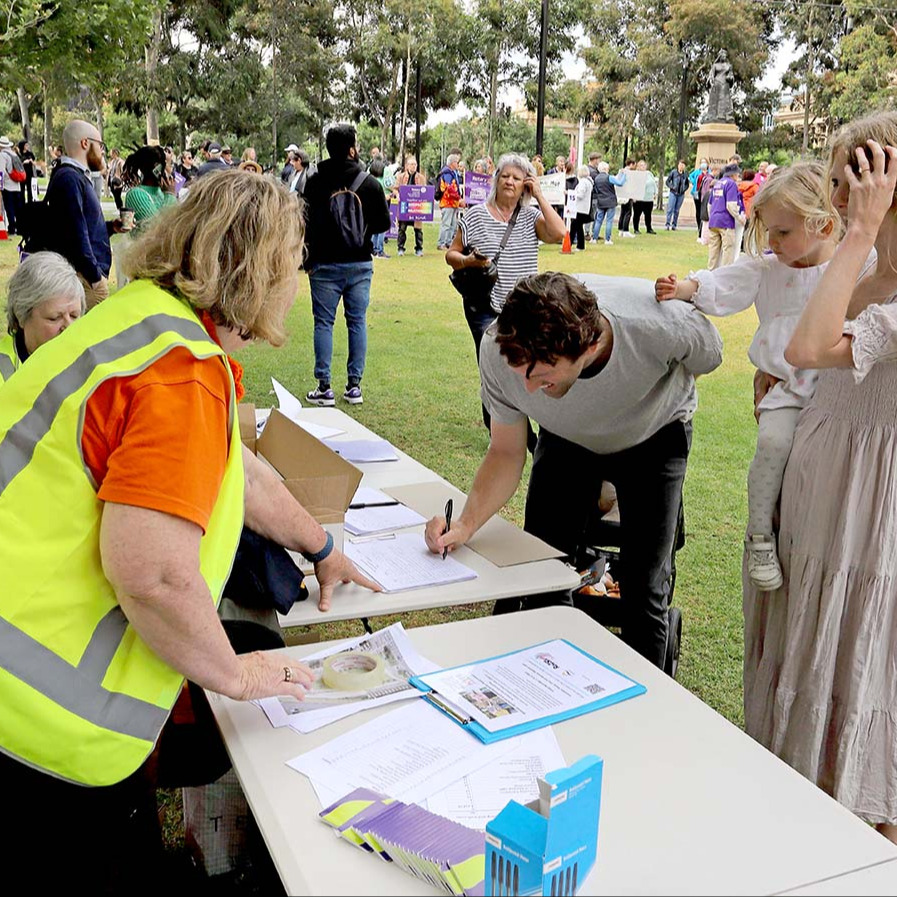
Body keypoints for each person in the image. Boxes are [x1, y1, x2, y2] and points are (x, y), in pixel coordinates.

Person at [0, 170, 380, 892]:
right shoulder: (180, 372)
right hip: (38, 723)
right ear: (258, 271)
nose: (298, 279)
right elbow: (155, 573)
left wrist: (322, 546)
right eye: (294, 262)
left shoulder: (140, 321)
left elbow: (234, 472)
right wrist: (237, 675)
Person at [424, 271, 723, 668]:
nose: (528, 390)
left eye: (542, 376)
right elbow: (505, 451)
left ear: (588, 347)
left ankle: (647, 714)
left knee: (644, 589)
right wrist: (465, 524)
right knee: (543, 570)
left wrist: (638, 391)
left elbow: (711, 356)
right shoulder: (499, 349)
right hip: (566, 437)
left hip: (654, 434)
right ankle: (550, 683)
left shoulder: (658, 323)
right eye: (522, 374)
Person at [744, 115, 897, 844]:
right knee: (807, 644)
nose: (838, 199)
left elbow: (811, 343)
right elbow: (797, 352)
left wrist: (863, 229)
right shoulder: (863, 269)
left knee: (859, 658)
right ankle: (799, 827)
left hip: (869, 506)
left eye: (851, 181)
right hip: (817, 483)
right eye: (837, 180)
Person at [655, 162, 846, 589]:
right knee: (773, 444)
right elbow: (724, 284)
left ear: (823, 224)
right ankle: (760, 533)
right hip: (787, 386)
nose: (773, 242)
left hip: (839, 391)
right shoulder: (766, 269)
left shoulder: (851, 267)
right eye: (769, 232)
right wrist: (683, 288)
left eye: (783, 232)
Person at [446, 153, 565, 440]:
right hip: (483, 306)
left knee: (523, 367)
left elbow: (560, 233)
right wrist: (470, 262)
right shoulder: (475, 215)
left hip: (523, 307)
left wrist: (537, 194)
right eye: (505, 176)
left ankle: (520, 430)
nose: (510, 182)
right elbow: (451, 254)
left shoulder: (530, 216)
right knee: (493, 369)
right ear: (496, 179)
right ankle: (502, 432)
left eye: (517, 178)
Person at [302, 122, 390, 406]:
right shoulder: (369, 183)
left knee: (324, 323)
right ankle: (354, 386)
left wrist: (308, 259)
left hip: (324, 265)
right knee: (357, 322)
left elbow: (305, 223)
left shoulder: (315, 180)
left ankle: (324, 386)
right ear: (352, 149)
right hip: (359, 263)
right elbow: (383, 224)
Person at [42, 120, 121, 308]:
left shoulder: (75, 176)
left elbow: (82, 224)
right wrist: (94, 277)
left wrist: (110, 227)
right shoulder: (70, 178)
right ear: (85, 143)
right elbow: (75, 233)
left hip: (85, 276)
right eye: (100, 145)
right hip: (84, 279)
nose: (102, 151)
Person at [0, 251, 85, 382]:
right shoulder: (4, 369)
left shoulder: (89, 361)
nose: (69, 327)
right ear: (21, 316)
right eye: (54, 318)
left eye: (74, 315)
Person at [123, 145, 177, 232]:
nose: (171, 169)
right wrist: (170, 195)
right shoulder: (136, 194)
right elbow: (157, 229)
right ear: (157, 168)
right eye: (168, 164)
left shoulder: (162, 191)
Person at [707, 162, 745, 269]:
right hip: (726, 222)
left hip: (714, 221)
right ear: (733, 174)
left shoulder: (717, 183)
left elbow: (709, 205)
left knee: (713, 251)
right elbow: (730, 205)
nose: (738, 176)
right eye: (737, 174)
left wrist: (712, 217)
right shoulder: (731, 184)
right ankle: (724, 274)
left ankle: (711, 273)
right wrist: (739, 217)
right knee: (728, 250)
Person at [394, 155, 426, 257]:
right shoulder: (401, 177)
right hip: (404, 207)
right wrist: (397, 194)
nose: (413, 166)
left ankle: (419, 249)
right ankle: (400, 248)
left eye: (415, 164)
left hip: (416, 208)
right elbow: (395, 188)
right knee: (402, 228)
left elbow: (425, 192)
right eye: (411, 164)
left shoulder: (421, 178)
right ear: (407, 166)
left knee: (418, 229)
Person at [591, 161, 625, 245]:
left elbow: (595, 190)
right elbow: (620, 183)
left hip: (601, 201)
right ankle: (607, 239)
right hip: (610, 201)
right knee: (609, 221)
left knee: (598, 220)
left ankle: (594, 238)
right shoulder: (609, 177)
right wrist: (624, 175)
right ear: (606, 169)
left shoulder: (596, 178)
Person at [436, 153, 465, 249]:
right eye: (456, 162)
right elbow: (450, 188)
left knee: (453, 224)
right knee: (446, 224)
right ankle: (441, 243)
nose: (457, 164)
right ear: (452, 163)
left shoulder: (453, 173)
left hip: (453, 203)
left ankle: (448, 242)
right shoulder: (447, 173)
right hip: (447, 202)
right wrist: (458, 198)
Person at [0, 135, 24, 234]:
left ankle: (12, 228)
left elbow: (1, 171)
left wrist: (1, 185)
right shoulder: (14, 154)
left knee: (9, 208)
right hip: (17, 185)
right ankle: (20, 228)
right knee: (18, 208)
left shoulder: (2, 155)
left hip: (8, 185)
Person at [369, 158, 391, 258]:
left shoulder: (370, 173)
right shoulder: (384, 172)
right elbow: (389, 184)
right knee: (382, 228)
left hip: (372, 203)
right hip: (382, 202)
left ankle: (373, 249)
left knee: (374, 227)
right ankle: (380, 250)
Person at [569, 165, 594, 251]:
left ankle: (573, 244)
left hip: (580, 208)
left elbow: (580, 195)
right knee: (577, 227)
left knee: (575, 226)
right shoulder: (589, 182)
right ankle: (575, 244)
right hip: (584, 208)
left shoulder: (583, 182)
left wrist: (570, 193)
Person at [632, 160, 657, 234]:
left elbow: (653, 183)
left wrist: (655, 192)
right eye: (641, 165)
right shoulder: (636, 175)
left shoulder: (649, 173)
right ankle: (636, 229)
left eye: (644, 165)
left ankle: (649, 228)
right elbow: (633, 186)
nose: (643, 167)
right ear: (638, 167)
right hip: (639, 198)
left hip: (649, 198)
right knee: (637, 214)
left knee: (648, 215)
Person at [665, 160, 689, 230]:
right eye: (680, 164)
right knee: (670, 209)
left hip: (681, 194)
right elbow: (667, 181)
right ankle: (667, 224)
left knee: (677, 210)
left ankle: (674, 225)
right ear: (678, 165)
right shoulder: (673, 172)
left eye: (683, 165)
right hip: (673, 193)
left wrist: (684, 189)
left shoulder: (685, 174)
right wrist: (672, 187)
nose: (681, 166)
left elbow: (687, 184)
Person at [689, 158, 709, 240]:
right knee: (698, 211)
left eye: (704, 162)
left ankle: (703, 230)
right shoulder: (697, 172)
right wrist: (694, 182)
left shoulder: (709, 173)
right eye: (702, 162)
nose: (703, 164)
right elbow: (690, 176)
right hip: (697, 193)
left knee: (703, 211)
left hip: (705, 195)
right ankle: (699, 228)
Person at [617, 159, 637, 237]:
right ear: (631, 164)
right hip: (628, 194)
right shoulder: (628, 173)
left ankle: (621, 229)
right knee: (628, 212)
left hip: (623, 194)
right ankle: (625, 230)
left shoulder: (621, 171)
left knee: (623, 212)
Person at [107, 147, 126, 212]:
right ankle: (119, 208)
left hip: (118, 181)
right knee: (115, 197)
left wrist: (121, 179)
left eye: (111, 152)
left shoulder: (120, 161)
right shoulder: (112, 161)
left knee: (118, 196)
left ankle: (121, 209)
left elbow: (123, 171)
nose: (110, 154)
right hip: (112, 181)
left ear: (115, 153)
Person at [17, 139, 36, 204]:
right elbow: (18, 164)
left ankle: (30, 202)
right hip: (22, 174)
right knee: (22, 189)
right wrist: (24, 162)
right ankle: (22, 203)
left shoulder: (30, 154)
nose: (27, 146)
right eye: (26, 145)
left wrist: (32, 161)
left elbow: (34, 162)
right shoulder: (19, 154)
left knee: (29, 189)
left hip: (29, 173)